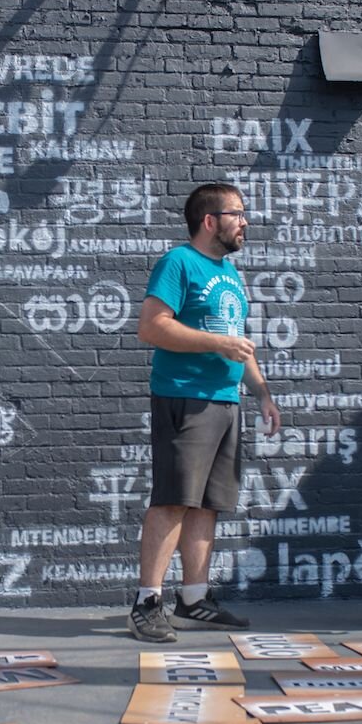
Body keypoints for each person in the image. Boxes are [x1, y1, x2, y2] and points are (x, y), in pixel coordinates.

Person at [128, 183, 282, 643]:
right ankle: (146, 603)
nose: (245, 221)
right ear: (210, 221)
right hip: (185, 397)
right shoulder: (178, 263)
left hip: (225, 400)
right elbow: (151, 327)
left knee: (207, 505)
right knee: (173, 499)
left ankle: (193, 600)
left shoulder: (230, 273)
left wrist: (263, 394)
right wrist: (218, 342)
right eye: (237, 213)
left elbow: (239, 341)